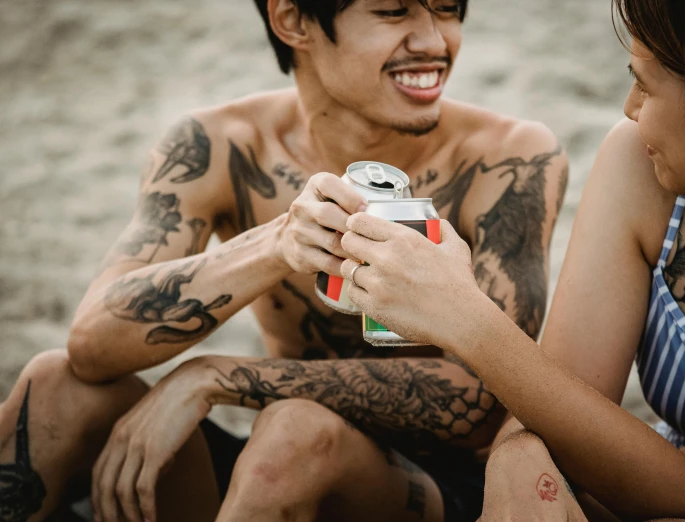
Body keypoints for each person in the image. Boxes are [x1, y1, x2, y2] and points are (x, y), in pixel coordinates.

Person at [0, 1, 569, 521]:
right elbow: (92, 345)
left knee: (294, 432)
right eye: (394, 11)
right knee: (54, 385)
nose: (435, 41)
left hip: (436, 492)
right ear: (293, 20)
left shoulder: (509, 156)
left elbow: (483, 397)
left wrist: (212, 376)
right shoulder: (219, 143)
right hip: (270, 477)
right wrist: (277, 245)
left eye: (447, 10)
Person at [338, 0, 685, 520]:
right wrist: (518, 455)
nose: (629, 107)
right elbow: (561, 396)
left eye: (646, 84)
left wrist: (461, 315)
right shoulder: (643, 166)